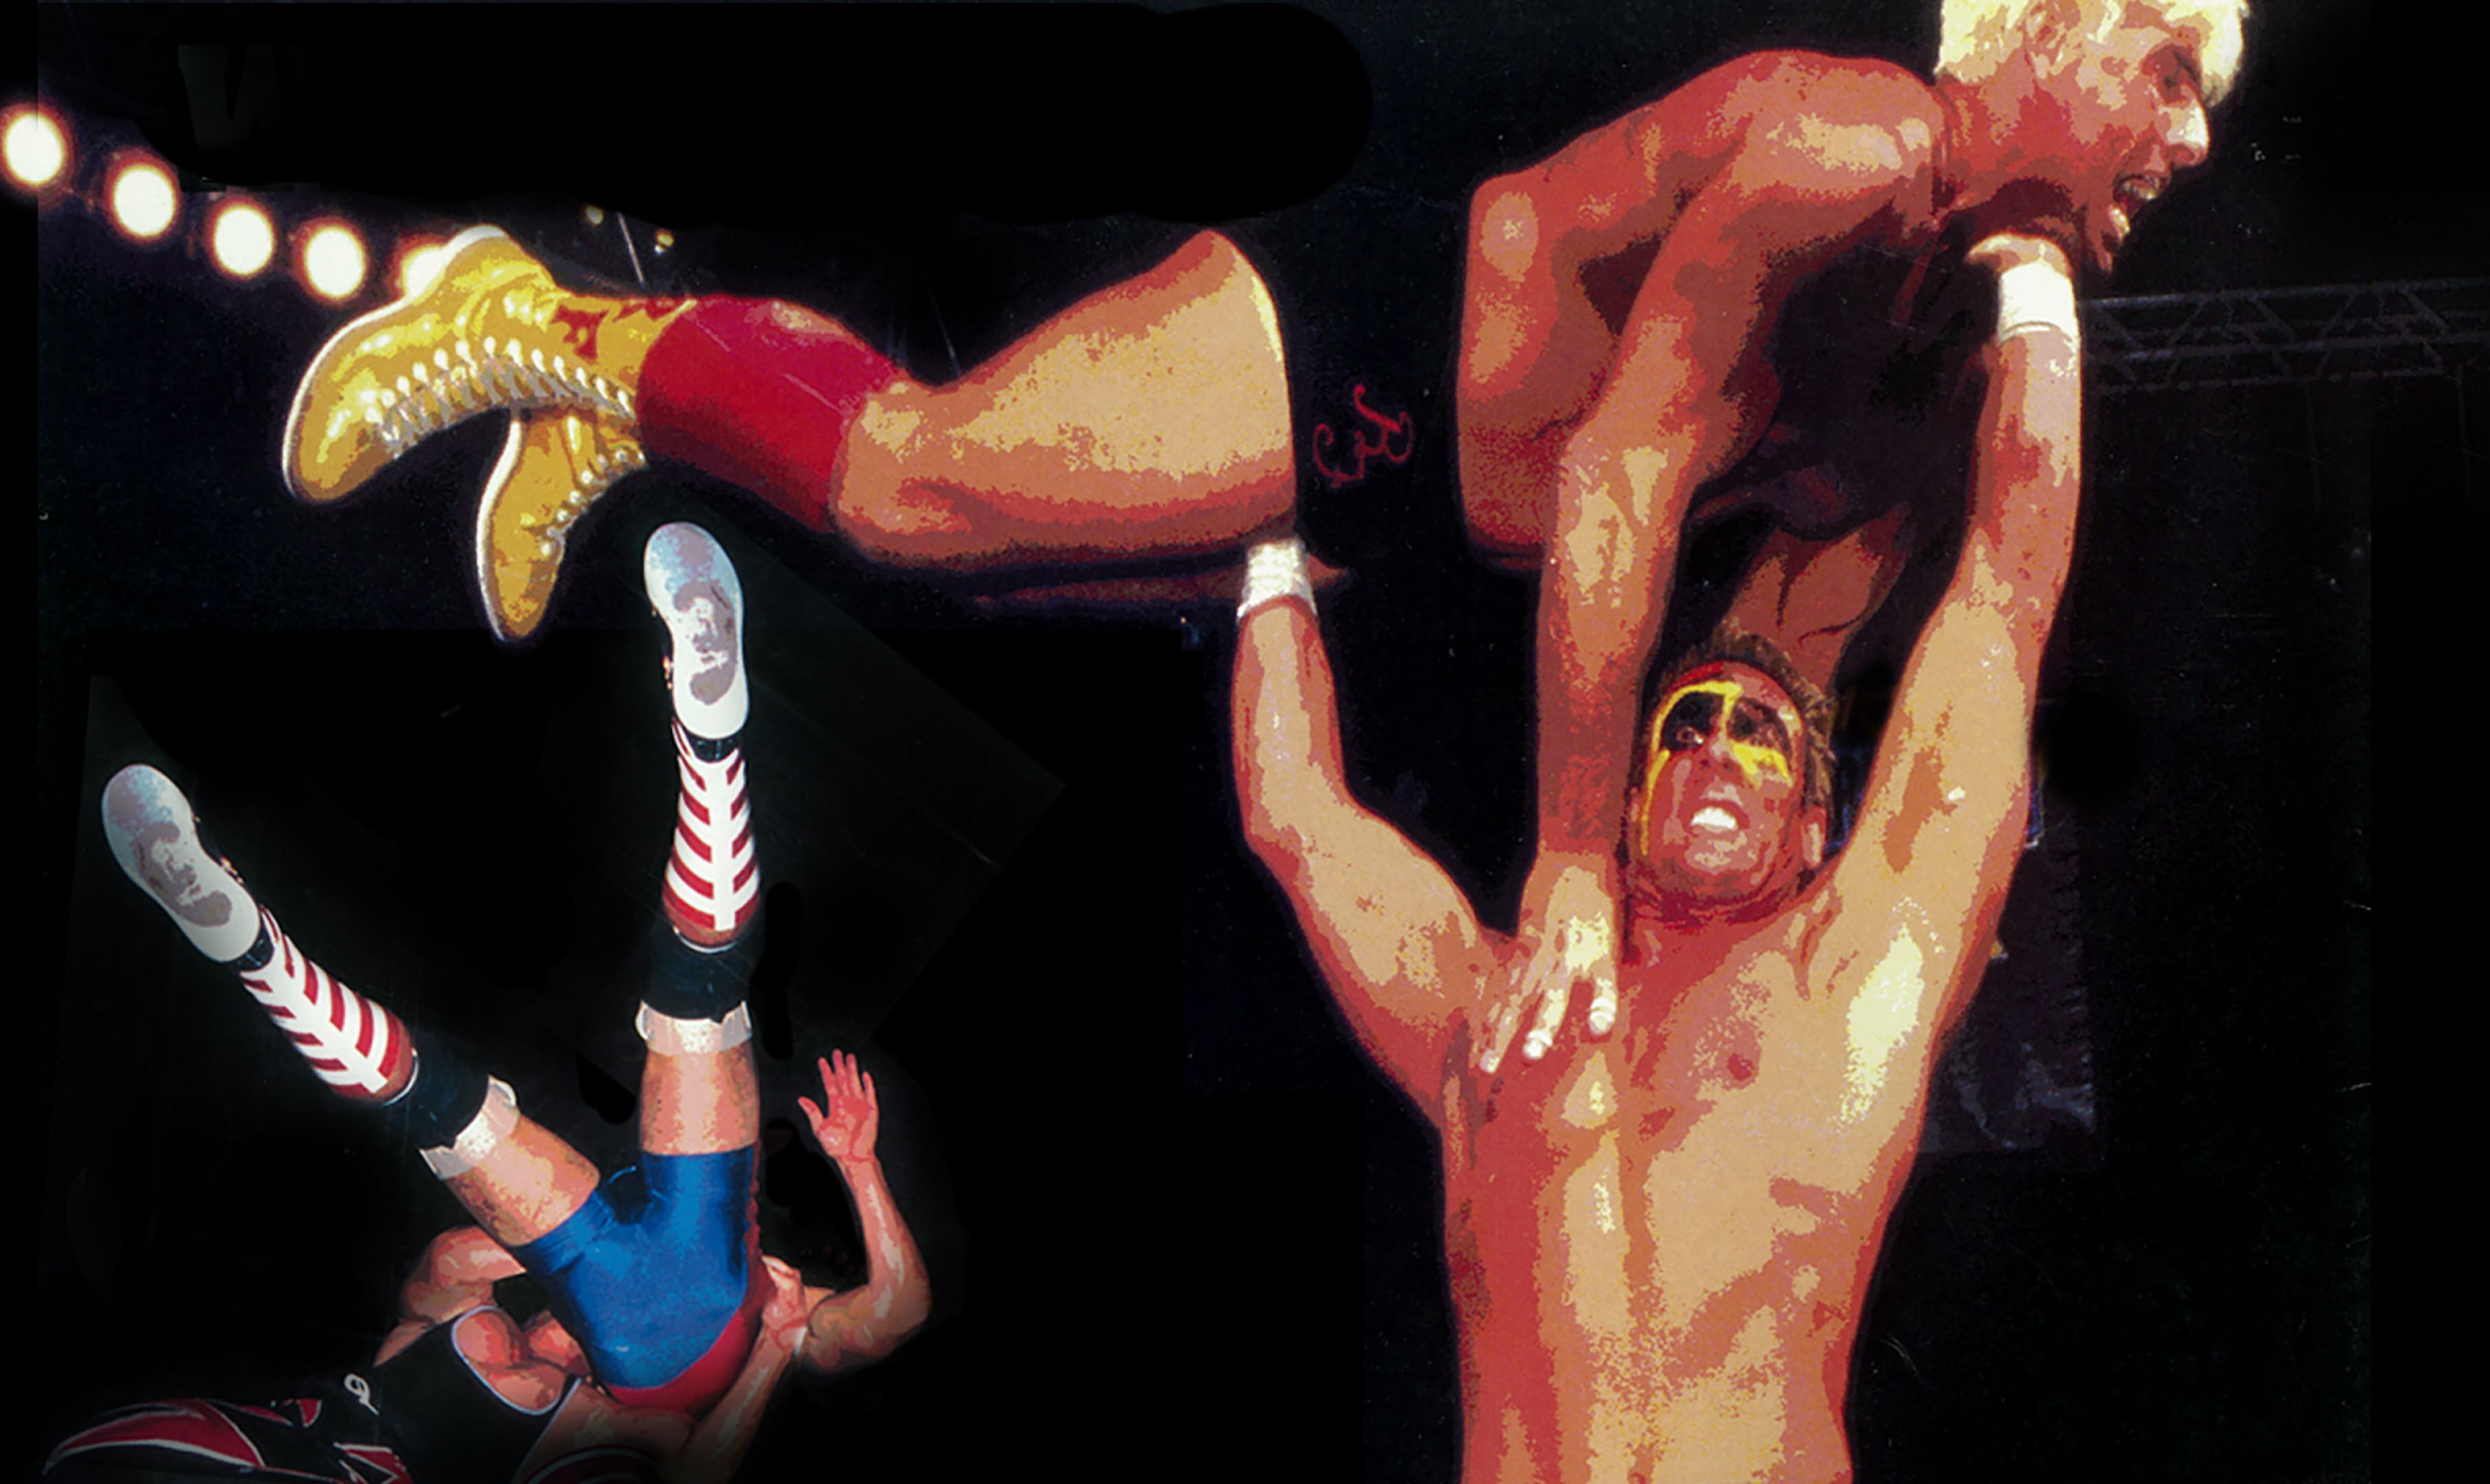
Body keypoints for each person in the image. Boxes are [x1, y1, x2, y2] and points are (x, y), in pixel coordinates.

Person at [1235, 228, 2088, 1481]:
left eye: (1761, 735)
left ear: (1815, 829)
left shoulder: (1862, 979)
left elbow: (2005, 603)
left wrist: (2037, 271)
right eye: (1688, 729)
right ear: (1628, 804)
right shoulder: (1493, 1004)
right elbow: (1294, 812)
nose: (1719, 750)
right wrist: (1269, 536)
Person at [1455, 0, 2243, 1073]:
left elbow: (1768, 674)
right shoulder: (1858, 144)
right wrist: (1577, 860)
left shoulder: (1960, 375)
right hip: (1403, 378)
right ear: (2052, 29)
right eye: (2171, 76)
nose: (2196, 140)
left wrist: (1766, 936)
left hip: (1510, 603)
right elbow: (1618, 469)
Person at [60, 524, 929, 1483]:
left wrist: (776, 1324)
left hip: (661, 1305)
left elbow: (883, 1326)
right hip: (621, 1301)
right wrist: (838, 1197)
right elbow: (893, 1316)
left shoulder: (767, 1312)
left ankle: (715, 745)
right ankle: (258, 957)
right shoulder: (758, 1323)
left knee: (697, 990)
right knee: (439, 1103)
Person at [282, 227, 1295, 642]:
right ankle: (516, 318)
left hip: (1378, 508)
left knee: (1002, 577)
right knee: (910, 489)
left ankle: (613, 412)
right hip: (1381, 317)